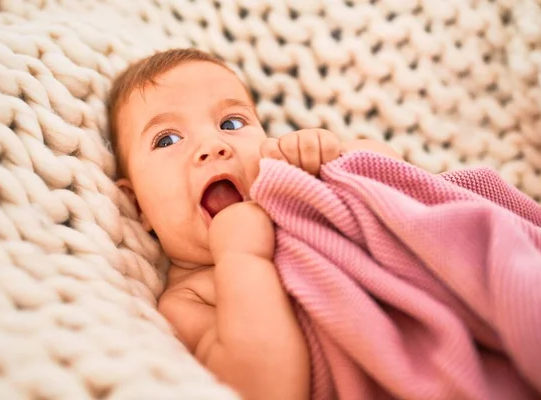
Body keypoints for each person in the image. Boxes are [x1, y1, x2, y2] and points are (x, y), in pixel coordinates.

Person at [107, 48, 401, 400]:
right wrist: (241, 255)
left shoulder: (297, 190)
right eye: (167, 139)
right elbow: (266, 388)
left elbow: (403, 189)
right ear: (138, 204)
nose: (213, 146)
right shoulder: (188, 301)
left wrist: (337, 158)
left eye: (231, 123)